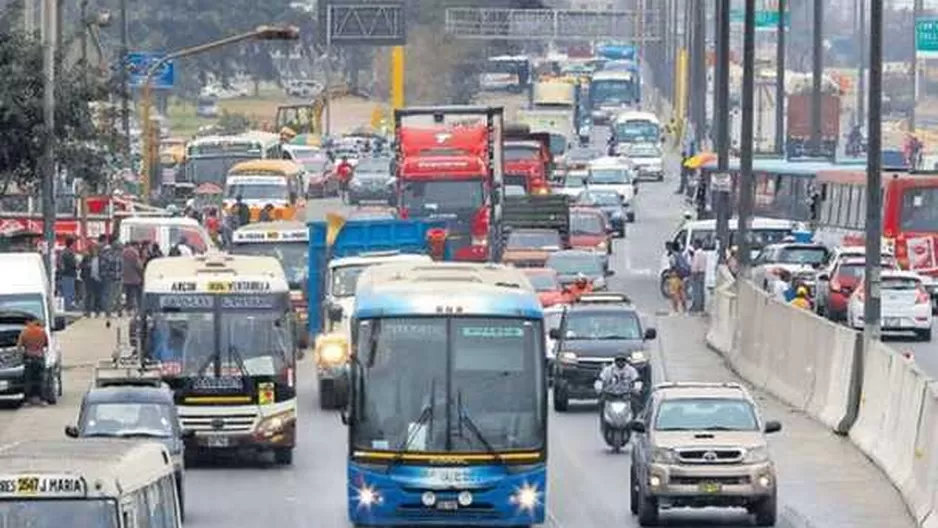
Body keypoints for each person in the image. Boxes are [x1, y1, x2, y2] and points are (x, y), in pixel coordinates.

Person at [596, 353, 640, 421]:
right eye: (618, 360)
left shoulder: (631, 370)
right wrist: (599, 389)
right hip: (611, 394)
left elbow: (637, 380)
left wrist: (637, 389)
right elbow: (600, 379)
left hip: (626, 394)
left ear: (625, 361)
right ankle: (604, 420)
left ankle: (634, 420)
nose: (620, 362)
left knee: (635, 403)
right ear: (615, 361)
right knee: (601, 402)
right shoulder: (608, 370)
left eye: (622, 360)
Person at [17, 317, 48, 405]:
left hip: (29, 358)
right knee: (41, 379)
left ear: (28, 322)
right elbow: (46, 344)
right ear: (35, 322)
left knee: (28, 380)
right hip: (40, 357)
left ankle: (27, 400)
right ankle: (43, 400)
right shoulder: (42, 331)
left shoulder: (24, 332)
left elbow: (19, 346)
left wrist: (20, 357)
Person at [121, 242, 144, 314]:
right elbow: (138, 266)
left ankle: (128, 309)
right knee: (137, 295)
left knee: (128, 295)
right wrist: (142, 276)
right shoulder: (134, 252)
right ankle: (138, 309)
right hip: (135, 278)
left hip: (125, 277)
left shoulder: (123, 252)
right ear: (135, 245)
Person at [57, 237, 78, 311]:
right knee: (68, 291)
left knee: (68, 290)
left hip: (66, 274)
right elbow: (73, 264)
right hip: (68, 274)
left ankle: (68, 305)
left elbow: (60, 264)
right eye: (74, 243)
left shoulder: (64, 252)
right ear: (71, 244)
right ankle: (67, 306)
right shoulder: (68, 253)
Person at [689, 239, 707, 313]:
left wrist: (694, 273)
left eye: (694, 244)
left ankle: (696, 307)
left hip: (697, 273)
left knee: (696, 291)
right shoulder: (703, 253)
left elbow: (695, 264)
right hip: (702, 273)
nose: (693, 246)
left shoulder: (697, 253)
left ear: (697, 244)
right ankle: (701, 306)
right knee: (701, 291)